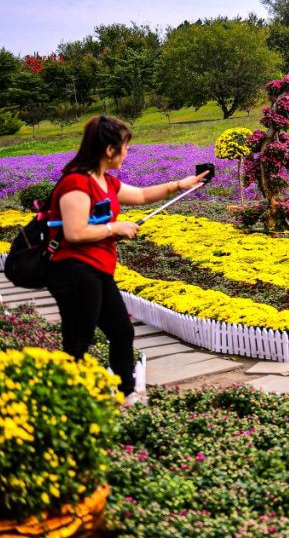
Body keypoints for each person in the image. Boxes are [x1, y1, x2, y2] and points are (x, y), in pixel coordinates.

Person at [46, 115, 207, 404]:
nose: (127, 152)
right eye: (125, 147)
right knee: (79, 340)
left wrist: (181, 184)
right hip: (74, 271)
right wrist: (114, 228)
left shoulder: (105, 181)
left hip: (98, 270)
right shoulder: (76, 184)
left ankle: (126, 392)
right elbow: (75, 231)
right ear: (110, 150)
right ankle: (64, 401)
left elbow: (143, 195)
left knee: (121, 330)